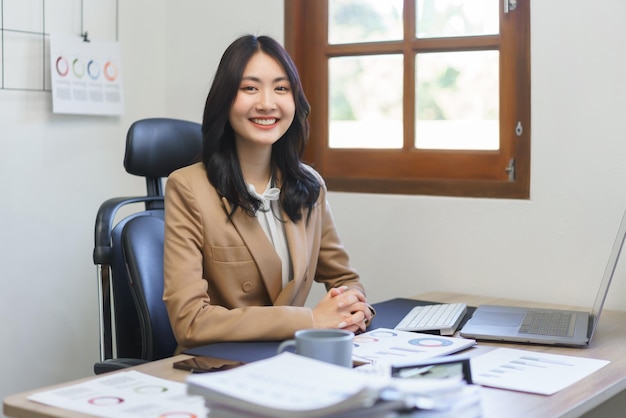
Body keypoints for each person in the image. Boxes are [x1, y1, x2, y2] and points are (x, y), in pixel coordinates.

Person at [163, 34, 373, 351]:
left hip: (289, 360)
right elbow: (189, 320)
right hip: (219, 366)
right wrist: (309, 321)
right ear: (225, 99)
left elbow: (344, 279)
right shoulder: (188, 188)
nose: (266, 102)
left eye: (281, 88)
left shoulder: (309, 186)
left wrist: (352, 310)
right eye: (250, 88)